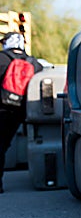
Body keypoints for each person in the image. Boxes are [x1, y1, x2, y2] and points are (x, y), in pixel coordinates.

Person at [0, 32, 42, 193]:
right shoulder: (34, 62)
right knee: (5, 144)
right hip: (21, 111)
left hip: (2, 109)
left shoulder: (2, 58)